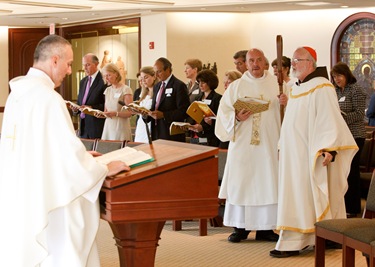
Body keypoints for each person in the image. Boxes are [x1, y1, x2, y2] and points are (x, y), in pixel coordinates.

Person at [0, 34, 129, 267]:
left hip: (27, 186)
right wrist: (102, 167)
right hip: (51, 197)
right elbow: (66, 158)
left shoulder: (17, 95)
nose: (70, 71)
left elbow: (38, 147)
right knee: (62, 249)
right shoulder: (48, 98)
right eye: (69, 64)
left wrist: (81, 158)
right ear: (55, 60)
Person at [270, 47, 358, 258]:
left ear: (311, 63)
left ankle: (295, 241)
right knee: (298, 195)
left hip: (309, 154)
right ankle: (324, 236)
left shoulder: (322, 87)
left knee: (305, 196)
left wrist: (329, 148)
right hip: (293, 154)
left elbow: (329, 119)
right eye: (293, 60)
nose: (293, 65)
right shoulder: (296, 87)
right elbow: (295, 121)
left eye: (297, 60)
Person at [215, 48, 281, 243]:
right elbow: (223, 114)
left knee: (267, 183)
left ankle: (266, 229)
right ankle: (240, 228)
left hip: (268, 144)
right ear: (246, 63)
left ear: (265, 62)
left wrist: (286, 102)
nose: (255, 64)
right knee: (242, 183)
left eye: (259, 60)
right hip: (243, 145)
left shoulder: (278, 85)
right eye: (251, 60)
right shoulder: (236, 87)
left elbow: (289, 113)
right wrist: (236, 116)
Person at [331, 61, 367, 218]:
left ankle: (353, 208)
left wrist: (342, 118)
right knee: (342, 172)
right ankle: (343, 206)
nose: (337, 79)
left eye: (339, 75)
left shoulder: (356, 90)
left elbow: (360, 114)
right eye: (334, 76)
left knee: (352, 172)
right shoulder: (336, 92)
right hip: (341, 137)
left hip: (355, 136)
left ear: (346, 75)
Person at [147, 57, 190, 142]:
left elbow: (184, 111)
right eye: (154, 72)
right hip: (156, 131)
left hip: (171, 134)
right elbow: (155, 107)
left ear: (168, 69)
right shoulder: (157, 86)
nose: (156, 75)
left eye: (159, 72)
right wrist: (146, 113)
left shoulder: (179, 86)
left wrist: (164, 115)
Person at [74, 53, 106, 138]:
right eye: (84, 65)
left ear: (96, 64)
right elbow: (80, 101)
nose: (84, 68)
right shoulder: (83, 81)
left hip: (97, 126)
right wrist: (75, 109)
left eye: (88, 65)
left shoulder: (103, 81)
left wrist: (91, 108)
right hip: (83, 126)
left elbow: (107, 105)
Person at [188, 69, 222, 147]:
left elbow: (219, 120)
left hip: (209, 137)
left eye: (203, 83)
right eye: (199, 82)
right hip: (195, 135)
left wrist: (204, 126)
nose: (200, 85)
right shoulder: (198, 98)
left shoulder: (218, 98)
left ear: (210, 83)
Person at [101, 63, 133, 141]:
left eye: (108, 75)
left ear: (116, 74)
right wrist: (101, 114)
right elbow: (106, 111)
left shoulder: (126, 89)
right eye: (105, 76)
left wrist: (116, 113)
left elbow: (130, 113)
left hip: (121, 126)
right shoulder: (107, 90)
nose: (106, 78)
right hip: (109, 125)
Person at [134, 66, 157, 143]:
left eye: (146, 77)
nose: (143, 81)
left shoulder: (157, 93)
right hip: (141, 124)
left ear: (154, 77)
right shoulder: (143, 93)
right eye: (142, 78)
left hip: (151, 124)